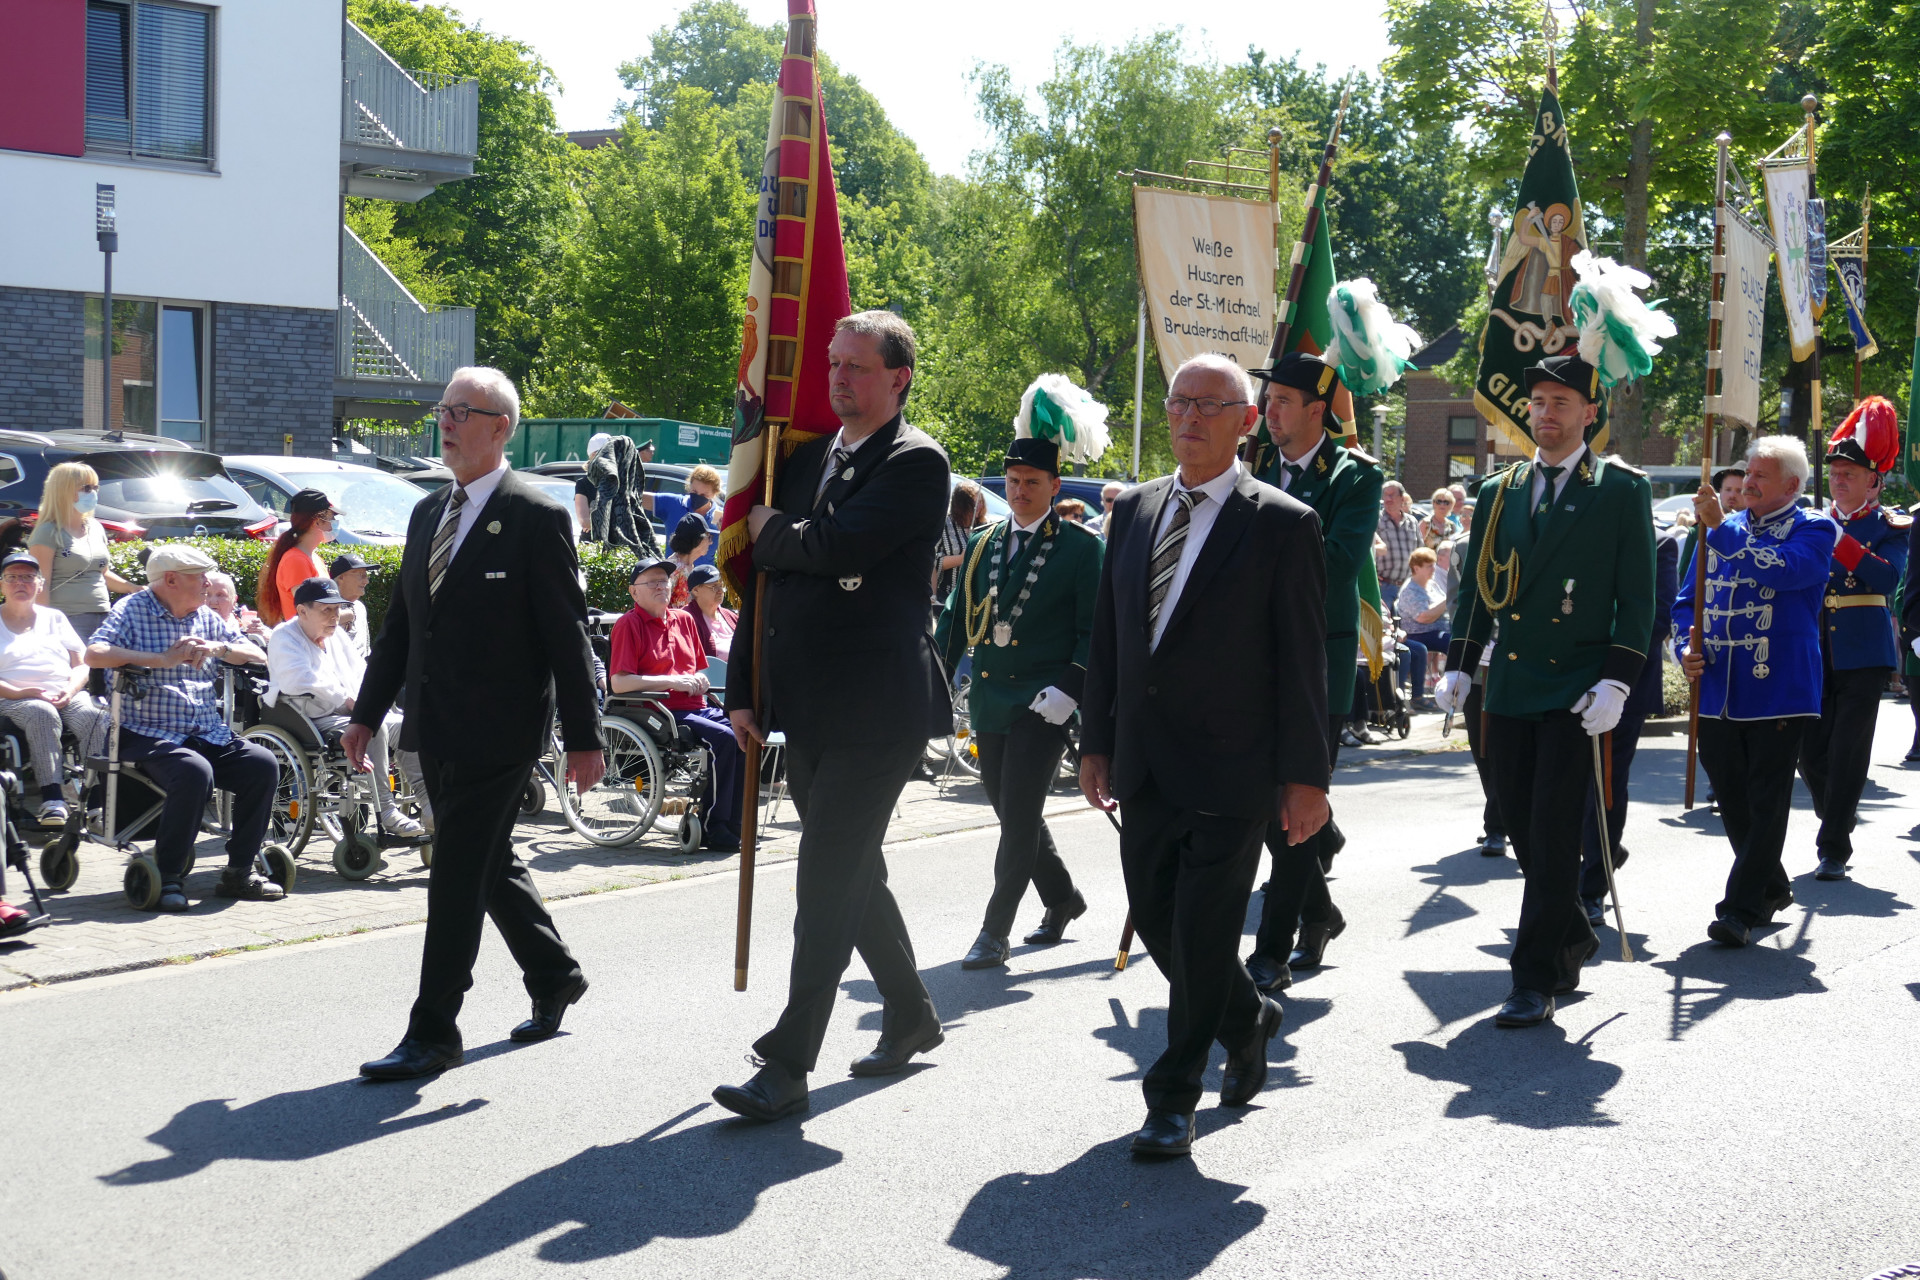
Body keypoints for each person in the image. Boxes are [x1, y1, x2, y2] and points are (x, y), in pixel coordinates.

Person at [1080, 352, 1330, 1158]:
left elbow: (1302, 662)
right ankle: (1245, 1016)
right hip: (1145, 763)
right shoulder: (1134, 511)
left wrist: (1305, 778)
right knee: (1160, 922)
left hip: (1234, 769)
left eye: (1211, 405)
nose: (1190, 417)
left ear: (1247, 421)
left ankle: (1172, 1096)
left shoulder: (1283, 523)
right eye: (1180, 402)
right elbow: (1111, 637)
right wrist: (1097, 740)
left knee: (1202, 928)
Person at [715, 311, 951, 1123]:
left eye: (857, 366)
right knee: (852, 872)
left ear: (898, 378)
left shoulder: (917, 462)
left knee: (823, 880)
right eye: (832, 363)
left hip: (878, 711)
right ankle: (913, 1011)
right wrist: (742, 689)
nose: (839, 378)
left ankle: (786, 1065)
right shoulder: (805, 458)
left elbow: (839, 549)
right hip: (806, 705)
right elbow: (767, 580)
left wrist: (778, 532)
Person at [348, 365, 605, 1082]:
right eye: (443, 409)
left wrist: (584, 736)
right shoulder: (428, 512)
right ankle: (554, 973)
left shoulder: (536, 515)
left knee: (455, 872)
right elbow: (403, 627)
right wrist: (368, 713)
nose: (446, 422)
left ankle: (433, 1030)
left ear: (501, 429)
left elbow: (566, 635)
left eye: (462, 411)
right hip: (435, 725)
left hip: (503, 728)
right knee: (488, 863)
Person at [1434, 353, 1654, 1028]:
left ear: (1591, 413)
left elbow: (1636, 595)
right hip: (1512, 685)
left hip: (1577, 690)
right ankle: (1571, 934)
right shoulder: (1501, 490)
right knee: (1525, 831)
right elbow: (1478, 588)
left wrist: (1618, 679)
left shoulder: (1619, 488)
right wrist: (1460, 663)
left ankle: (1532, 979)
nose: (1547, 415)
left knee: (1556, 834)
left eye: (1562, 403)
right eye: (1538, 403)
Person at [935, 427, 1102, 971]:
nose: (1021, 491)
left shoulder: (1082, 548)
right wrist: (931, 670)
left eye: (1032, 482)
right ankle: (1062, 898)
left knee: (1022, 814)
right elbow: (958, 617)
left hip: (1042, 701)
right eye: (1013, 481)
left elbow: (1094, 631)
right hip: (990, 697)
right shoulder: (983, 542)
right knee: (1013, 815)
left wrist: (1071, 688)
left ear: (1055, 485)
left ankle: (994, 929)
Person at [1241, 350, 1380, 994]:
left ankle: (1273, 949)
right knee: (1262, 807)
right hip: (1250, 663)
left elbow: (1337, 566)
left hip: (1313, 665)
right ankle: (1320, 912)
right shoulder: (1253, 467)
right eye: (1267, 402)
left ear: (1318, 411)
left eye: (1282, 402)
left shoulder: (1355, 478)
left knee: (1295, 807)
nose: (1268, 413)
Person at [1675, 437, 1835, 946]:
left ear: (1791, 485)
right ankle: (1771, 885)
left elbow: (1782, 570)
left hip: (1779, 686)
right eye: (1747, 472)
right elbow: (1687, 602)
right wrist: (1685, 647)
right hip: (1718, 684)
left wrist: (1719, 530)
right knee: (1731, 794)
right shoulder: (1724, 527)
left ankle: (1740, 909)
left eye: (1761, 476)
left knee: (1766, 798)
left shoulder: (1815, 529)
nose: (1747, 482)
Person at [86, 543, 278, 913]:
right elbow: (95, 653)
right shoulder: (133, 609)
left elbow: (257, 654)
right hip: (145, 730)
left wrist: (217, 647)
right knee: (193, 770)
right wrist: (161, 660)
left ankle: (239, 871)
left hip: (205, 730)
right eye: (200, 576)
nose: (208, 582)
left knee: (262, 764)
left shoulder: (206, 617)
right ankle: (170, 875)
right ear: (171, 579)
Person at [1798, 400, 1909, 882]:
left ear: (1874, 481)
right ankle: (1837, 814)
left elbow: (1887, 581)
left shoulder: (1890, 527)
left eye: (1849, 473)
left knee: (1847, 752)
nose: (1838, 480)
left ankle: (1833, 846)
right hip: (1811, 649)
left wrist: (1837, 539)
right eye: (1835, 473)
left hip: (1863, 653)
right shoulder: (1807, 522)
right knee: (1810, 753)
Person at [266, 576, 425, 839]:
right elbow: (299, 680)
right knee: (372, 729)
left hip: (347, 713)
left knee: (408, 725)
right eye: (326, 609)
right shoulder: (284, 636)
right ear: (302, 611)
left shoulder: (336, 635)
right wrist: (348, 701)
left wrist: (371, 702)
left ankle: (427, 802)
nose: (334, 616)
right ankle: (387, 810)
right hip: (311, 718)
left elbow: (362, 672)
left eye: (337, 609)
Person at [1578, 518, 1681, 923]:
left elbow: (1658, 615)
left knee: (1605, 785)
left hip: (1622, 681)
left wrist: (1610, 669)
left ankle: (1592, 886)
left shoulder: (1658, 544)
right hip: (1565, 678)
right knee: (1561, 783)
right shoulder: (1576, 529)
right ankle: (1591, 858)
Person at [609, 558, 742, 852]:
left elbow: (698, 669)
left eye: (665, 580)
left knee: (745, 734)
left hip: (695, 706)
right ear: (634, 592)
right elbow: (619, 683)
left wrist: (698, 680)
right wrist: (672, 681)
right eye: (652, 581)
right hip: (659, 712)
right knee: (725, 739)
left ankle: (733, 825)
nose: (661, 586)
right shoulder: (628, 625)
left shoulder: (684, 620)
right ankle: (713, 827)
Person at [0, 552, 106, 823]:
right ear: (2, 584)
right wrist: (20, 692)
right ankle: (53, 800)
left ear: (40, 583)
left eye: (27, 577)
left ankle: (95, 805)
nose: (20, 583)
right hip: (12, 698)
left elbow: (83, 664)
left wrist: (71, 690)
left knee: (96, 717)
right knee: (41, 712)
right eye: (12, 578)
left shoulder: (54, 618)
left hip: (65, 692)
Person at [28, 461, 138, 641]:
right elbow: (40, 585)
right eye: (86, 488)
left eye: (96, 487)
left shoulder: (95, 527)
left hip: (103, 615)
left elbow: (102, 573)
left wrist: (133, 588)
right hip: (67, 619)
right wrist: (45, 628)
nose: (93, 493)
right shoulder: (48, 532)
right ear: (63, 490)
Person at [256, 489, 337, 626]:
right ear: (317, 522)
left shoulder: (314, 557)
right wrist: (349, 615)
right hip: (303, 641)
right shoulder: (295, 560)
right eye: (331, 518)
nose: (334, 523)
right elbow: (310, 612)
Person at [580, 433, 658, 554]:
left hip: (622, 548)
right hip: (592, 547)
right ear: (595, 455)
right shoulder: (584, 483)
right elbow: (584, 521)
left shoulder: (626, 481)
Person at [1396, 547, 1449, 705]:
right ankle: (1445, 690)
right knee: (1453, 642)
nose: (1434, 569)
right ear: (1416, 568)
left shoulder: (1432, 584)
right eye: (1429, 566)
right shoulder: (1411, 589)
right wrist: (1449, 600)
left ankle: (1457, 687)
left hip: (1437, 629)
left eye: (1433, 565)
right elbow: (1423, 617)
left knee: (1461, 639)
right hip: (1418, 633)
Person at [654, 465, 723, 548]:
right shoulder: (674, 503)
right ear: (690, 486)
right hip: (673, 561)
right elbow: (637, 498)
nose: (698, 497)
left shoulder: (720, 517)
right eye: (694, 491)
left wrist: (724, 532)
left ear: (714, 493)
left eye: (704, 494)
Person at [934, 482, 979, 606]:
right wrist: (961, 559)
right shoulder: (944, 524)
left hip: (975, 597)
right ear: (961, 505)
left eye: (980, 502)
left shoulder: (984, 525)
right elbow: (932, 560)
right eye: (974, 504)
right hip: (947, 596)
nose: (978, 507)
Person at [328, 552, 376, 661]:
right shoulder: (325, 610)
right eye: (361, 575)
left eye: (366, 575)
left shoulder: (360, 607)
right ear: (341, 578)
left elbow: (366, 649)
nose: (366, 581)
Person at [1376, 480, 1421, 594]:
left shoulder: (1412, 522)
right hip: (1383, 586)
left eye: (1391, 495)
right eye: (1385, 495)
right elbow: (1366, 550)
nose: (1388, 499)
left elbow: (1420, 552)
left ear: (1402, 498)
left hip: (1409, 587)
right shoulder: (1376, 520)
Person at [684, 563, 736, 662]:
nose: (720, 591)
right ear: (696, 590)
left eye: (722, 585)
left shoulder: (731, 616)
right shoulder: (685, 619)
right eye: (714, 586)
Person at [203, 571, 270, 644]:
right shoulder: (193, 624)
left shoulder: (244, 621)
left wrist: (264, 636)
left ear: (234, 601)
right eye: (207, 594)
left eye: (220, 595)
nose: (213, 601)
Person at [667, 514, 712, 610]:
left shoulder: (688, 565)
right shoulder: (673, 569)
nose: (710, 542)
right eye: (709, 537)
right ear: (697, 539)